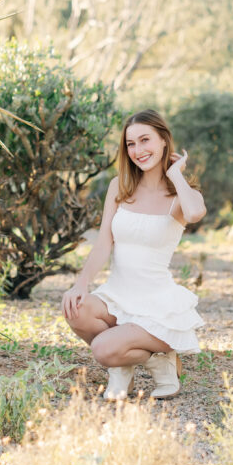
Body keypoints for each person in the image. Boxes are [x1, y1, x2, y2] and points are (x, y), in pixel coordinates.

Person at [62, 109, 206, 400]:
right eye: (131, 144)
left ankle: (126, 359)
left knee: (102, 348)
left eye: (145, 140)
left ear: (164, 141)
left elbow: (194, 213)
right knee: (75, 309)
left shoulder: (180, 196)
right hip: (118, 294)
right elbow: (104, 242)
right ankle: (147, 363)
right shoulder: (120, 186)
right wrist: (81, 283)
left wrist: (176, 174)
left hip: (157, 305)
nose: (138, 150)